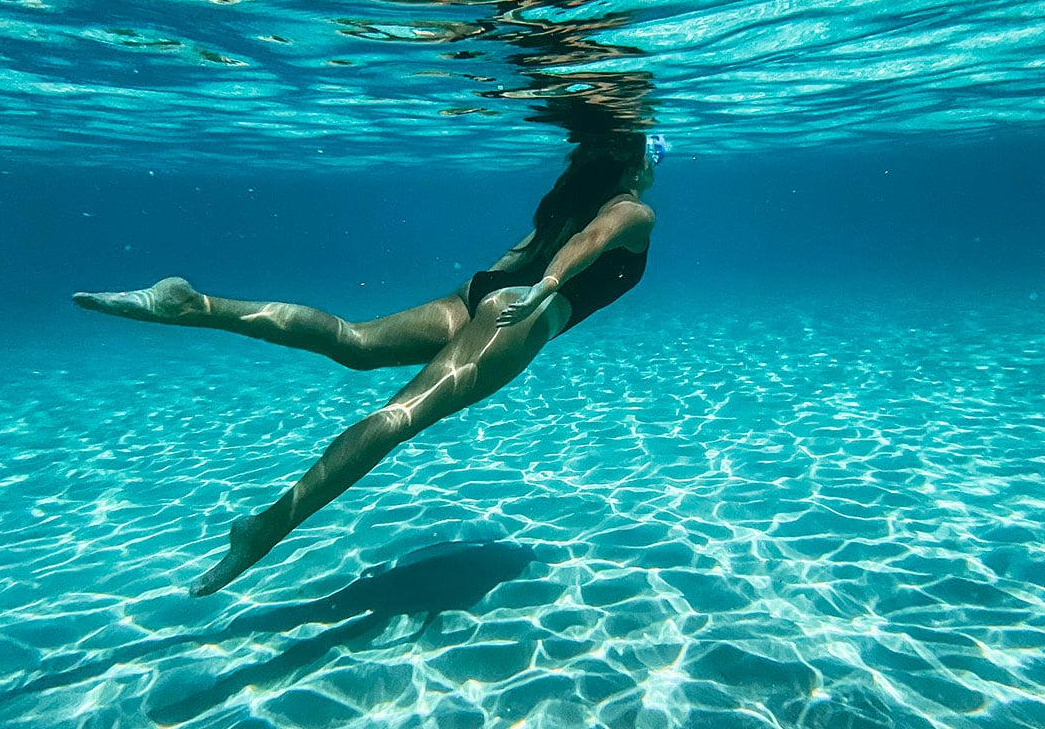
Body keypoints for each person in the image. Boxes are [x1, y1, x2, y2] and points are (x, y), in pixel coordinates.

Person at [73, 132, 661, 596]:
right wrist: (546, 288)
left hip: (484, 291)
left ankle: (193, 303)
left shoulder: (567, 196)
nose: (659, 162)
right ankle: (266, 531)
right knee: (400, 416)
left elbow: (528, 251)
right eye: (655, 152)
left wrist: (506, 289)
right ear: (634, 163)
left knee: (353, 342)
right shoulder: (634, 209)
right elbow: (593, 241)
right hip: (522, 308)